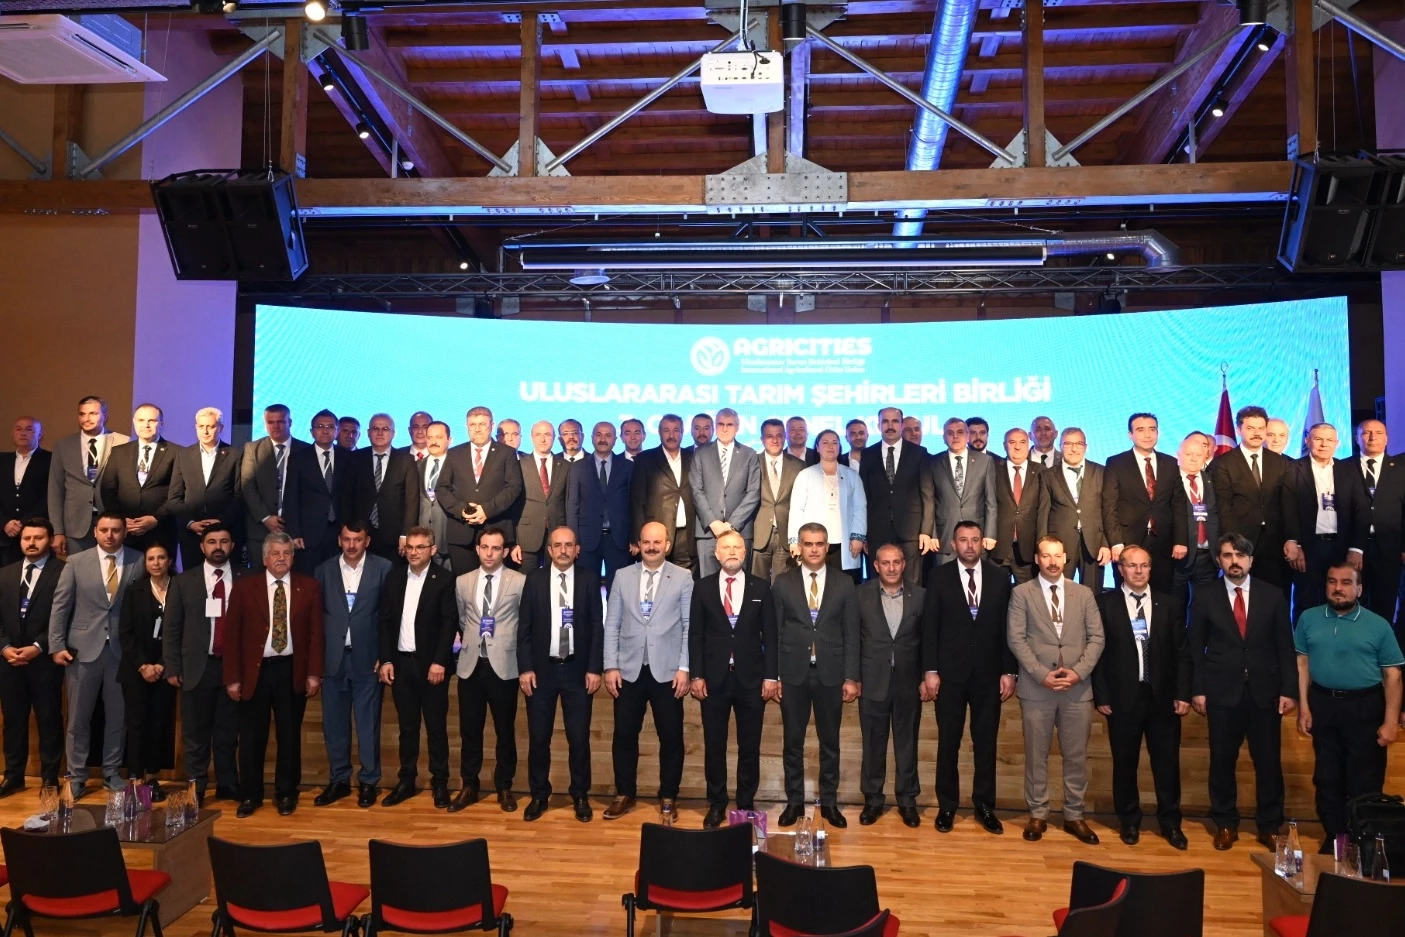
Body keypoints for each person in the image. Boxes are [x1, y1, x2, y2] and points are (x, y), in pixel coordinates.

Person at [1189, 533, 1296, 851]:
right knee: (1222, 761)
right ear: (1218, 560)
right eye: (1227, 555)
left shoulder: (1273, 595)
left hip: (1265, 692)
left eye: (1240, 555)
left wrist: (1289, 689)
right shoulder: (1205, 595)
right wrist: (1198, 689)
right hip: (1221, 692)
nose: (1234, 561)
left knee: (1269, 762)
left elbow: (1285, 646)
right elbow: (1194, 646)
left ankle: (1269, 826)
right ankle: (1225, 823)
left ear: (1251, 560)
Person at [1295, 562, 1403, 853]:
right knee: (1327, 776)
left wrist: (1390, 722)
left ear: (1359, 589)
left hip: (1365, 707)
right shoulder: (1308, 618)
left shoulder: (1378, 625)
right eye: (1332, 581)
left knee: (1365, 777)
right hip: (1323, 704)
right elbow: (1302, 663)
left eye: (1345, 582)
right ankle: (1335, 837)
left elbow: (1393, 675)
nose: (1338, 588)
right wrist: (1304, 707)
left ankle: (1363, 839)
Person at [1007, 536, 1105, 845]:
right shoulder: (1021, 593)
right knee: (1036, 755)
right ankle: (1038, 813)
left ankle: (1074, 814)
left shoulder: (1084, 594)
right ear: (1037, 559)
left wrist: (1077, 673)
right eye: (1046, 556)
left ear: (1065, 558)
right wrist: (1041, 675)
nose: (1052, 561)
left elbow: (1097, 638)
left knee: (1075, 756)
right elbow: (1016, 639)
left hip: (1077, 689)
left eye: (1057, 556)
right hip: (1038, 688)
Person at [1093, 546, 1192, 849]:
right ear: (1120, 569)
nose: (1138, 571)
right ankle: (1129, 821)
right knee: (1125, 763)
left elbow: (1182, 653)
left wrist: (1183, 693)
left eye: (1144, 565)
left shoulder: (1170, 604)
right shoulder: (1104, 604)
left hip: (1163, 698)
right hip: (1123, 697)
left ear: (1151, 569)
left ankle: (1171, 823)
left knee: (1167, 764)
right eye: (1132, 565)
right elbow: (1098, 654)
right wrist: (1102, 695)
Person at [922, 521, 1013, 834]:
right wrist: (930, 670)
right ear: (953, 544)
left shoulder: (1000, 577)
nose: (970, 545)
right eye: (963, 540)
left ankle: (984, 806)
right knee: (948, 742)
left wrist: (1008, 670)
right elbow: (930, 627)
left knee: (985, 743)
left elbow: (1007, 628)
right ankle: (947, 806)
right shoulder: (938, 577)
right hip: (950, 675)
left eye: (975, 539)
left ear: (982, 543)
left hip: (989, 674)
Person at [224, 532, 324, 818]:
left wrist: (314, 674)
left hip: (291, 669)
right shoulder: (245, 588)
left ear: (293, 557)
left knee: (289, 735)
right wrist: (233, 677)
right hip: (254, 672)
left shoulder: (309, 586)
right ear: (265, 558)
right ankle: (250, 795)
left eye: (287, 553)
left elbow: (316, 635)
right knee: (251, 736)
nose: (282, 558)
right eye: (276, 554)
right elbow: (232, 636)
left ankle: (287, 793)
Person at [602, 521, 692, 821]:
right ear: (638, 544)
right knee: (624, 735)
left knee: (671, 738)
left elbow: (689, 626)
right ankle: (624, 793)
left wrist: (684, 667)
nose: (651, 547)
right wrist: (610, 665)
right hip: (628, 670)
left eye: (657, 542)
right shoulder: (622, 576)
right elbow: (612, 623)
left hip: (668, 671)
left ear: (667, 545)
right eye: (646, 542)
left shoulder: (683, 577)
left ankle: (668, 797)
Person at [772, 521, 860, 827]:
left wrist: (851, 677)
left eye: (819, 544)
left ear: (827, 547)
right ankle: (795, 802)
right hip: (792, 674)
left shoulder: (844, 583)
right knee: (792, 742)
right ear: (799, 547)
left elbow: (852, 633)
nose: (813, 549)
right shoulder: (782, 582)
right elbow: (775, 632)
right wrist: (775, 676)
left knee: (830, 743)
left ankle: (830, 804)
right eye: (808, 544)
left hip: (831, 674)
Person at [49, 511, 140, 798]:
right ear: (95, 532)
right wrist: (56, 645)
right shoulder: (76, 562)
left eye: (116, 530)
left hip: (121, 652)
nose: (110, 535)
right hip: (82, 650)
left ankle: (111, 772)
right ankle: (76, 775)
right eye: (104, 530)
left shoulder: (138, 560)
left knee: (117, 717)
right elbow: (60, 605)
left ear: (125, 532)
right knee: (78, 718)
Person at [689, 529, 777, 828]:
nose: (731, 552)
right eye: (725, 547)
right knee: (714, 745)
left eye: (737, 547)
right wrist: (697, 674)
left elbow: (771, 636)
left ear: (745, 552)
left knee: (749, 747)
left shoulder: (761, 587)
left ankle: (745, 804)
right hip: (714, 680)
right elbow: (695, 635)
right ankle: (716, 804)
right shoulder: (702, 588)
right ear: (716, 554)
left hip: (751, 680)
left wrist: (771, 676)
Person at [518, 526, 603, 822]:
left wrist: (594, 668)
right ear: (549, 550)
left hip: (578, 671)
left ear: (577, 550)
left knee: (578, 738)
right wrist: (525, 668)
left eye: (569, 545)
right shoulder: (535, 580)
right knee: (539, 737)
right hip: (541, 672)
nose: (563, 550)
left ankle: (580, 794)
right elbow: (524, 628)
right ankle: (539, 795)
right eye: (558, 545)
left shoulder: (589, 579)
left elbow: (597, 628)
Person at [161, 523, 241, 804]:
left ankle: (228, 784)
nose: (218, 547)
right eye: (212, 542)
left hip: (232, 667)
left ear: (232, 546)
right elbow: (171, 628)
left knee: (228, 731)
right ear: (202, 547)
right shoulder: (184, 581)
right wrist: (172, 667)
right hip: (196, 667)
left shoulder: (245, 579)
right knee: (195, 733)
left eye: (224, 541)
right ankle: (196, 786)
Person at [313, 522, 391, 808]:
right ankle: (339, 780)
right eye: (347, 539)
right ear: (339, 540)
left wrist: (385, 655)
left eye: (357, 540)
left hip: (368, 660)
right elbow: (316, 619)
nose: (352, 545)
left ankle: (369, 781)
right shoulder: (323, 570)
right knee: (334, 725)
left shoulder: (384, 568)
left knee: (368, 724)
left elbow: (388, 617)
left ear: (367, 541)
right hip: (333, 660)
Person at [378, 527, 456, 808]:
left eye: (420, 547)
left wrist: (440, 661)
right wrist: (386, 659)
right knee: (407, 728)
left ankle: (440, 783)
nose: (413, 552)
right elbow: (385, 623)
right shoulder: (394, 578)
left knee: (436, 728)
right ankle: (406, 781)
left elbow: (449, 624)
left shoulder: (444, 579)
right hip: (401, 665)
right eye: (410, 547)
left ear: (432, 550)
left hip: (432, 667)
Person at [451, 527, 525, 813]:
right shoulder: (463, 582)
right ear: (477, 549)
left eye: (496, 548)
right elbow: (462, 619)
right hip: (471, 665)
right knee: (470, 731)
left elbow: (523, 622)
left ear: (505, 551)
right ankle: (469, 785)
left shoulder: (519, 581)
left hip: (504, 666)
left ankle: (504, 787)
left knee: (505, 731)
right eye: (485, 547)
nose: (489, 553)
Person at [856, 544, 924, 828]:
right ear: (876, 566)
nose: (892, 568)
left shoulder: (920, 596)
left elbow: (926, 640)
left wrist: (927, 676)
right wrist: (853, 677)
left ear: (904, 564)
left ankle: (907, 800)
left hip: (908, 681)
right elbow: (853, 639)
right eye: (886, 563)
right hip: (872, 681)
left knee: (907, 744)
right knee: (873, 744)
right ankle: (873, 800)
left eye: (896, 562)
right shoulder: (860, 595)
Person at [0, 518, 64, 794]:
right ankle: (14, 776)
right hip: (9, 660)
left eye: (38, 538)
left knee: (49, 719)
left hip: (45, 659)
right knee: (13, 721)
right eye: (27, 538)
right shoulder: (5, 573)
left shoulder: (63, 572)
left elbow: (66, 617)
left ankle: (50, 777)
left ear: (50, 540)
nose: (32, 543)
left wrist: (38, 646)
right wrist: (4, 647)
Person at [1285, 423, 1368, 616]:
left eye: (1329, 440)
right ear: (1307, 441)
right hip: (1307, 548)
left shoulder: (1349, 469)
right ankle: (1303, 637)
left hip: (1341, 546)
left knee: (1339, 600)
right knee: (1305, 602)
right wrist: (1295, 543)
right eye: (1318, 439)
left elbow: (1361, 510)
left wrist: (1356, 549)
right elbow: (1288, 509)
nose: (1324, 444)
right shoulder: (1292, 469)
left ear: (1337, 443)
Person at [1210, 406, 1293, 597]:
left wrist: (1292, 539)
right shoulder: (1223, 464)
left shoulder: (1281, 463)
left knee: (1277, 598)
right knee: (1243, 598)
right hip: (1241, 543)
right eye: (1250, 428)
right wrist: (1233, 543)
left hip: (1276, 544)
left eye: (1261, 428)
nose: (1257, 433)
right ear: (1238, 430)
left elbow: (1288, 504)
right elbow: (1224, 507)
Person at [1103, 413, 1189, 594]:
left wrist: (1180, 540)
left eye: (1152, 429)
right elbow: (1109, 505)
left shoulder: (1170, 463)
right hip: (1128, 541)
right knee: (1126, 595)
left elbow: (1179, 504)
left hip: (1164, 542)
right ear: (1130, 435)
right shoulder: (1116, 463)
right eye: (1140, 430)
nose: (1147, 435)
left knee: (1163, 595)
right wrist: (1116, 542)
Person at [117, 542, 177, 797]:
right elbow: (125, 633)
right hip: (136, 669)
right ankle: (135, 779)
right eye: (151, 558)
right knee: (136, 724)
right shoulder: (134, 591)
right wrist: (143, 665)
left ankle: (152, 778)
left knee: (158, 723)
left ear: (170, 561)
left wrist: (163, 664)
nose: (156, 563)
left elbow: (182, 631)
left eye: (161, 558)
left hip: (166, 668)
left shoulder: (180, 588)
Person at [435, 407, 524, 574]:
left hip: (495, 531)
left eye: (482, 424)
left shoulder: (507, 453)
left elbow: (513, 488)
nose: (477, 429)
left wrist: (486, 510)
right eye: (472, 425)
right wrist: (462, 510)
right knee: (464, 585)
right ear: (466, 426)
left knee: (494, 584)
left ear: (492, 425)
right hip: (461, 533)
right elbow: (442, 488)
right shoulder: (454, 453)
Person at [858, 408, 933, 589]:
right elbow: (863, 497)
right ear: (878, 426)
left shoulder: (919, 453)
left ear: (901, 425)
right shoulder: (868, 455)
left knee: (912, 585)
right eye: (885, 421)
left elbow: (927, 495)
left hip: (911, 532)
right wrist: (863, 533)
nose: (890, 426)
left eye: (894, 421)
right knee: (877, 585)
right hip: (877, 532)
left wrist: (926, 531)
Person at [48, 396, 129, 558]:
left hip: (112, 521)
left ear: (105, 415)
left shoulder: (123, 442)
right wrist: (57, 531)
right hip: (75, 525)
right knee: (79, 570)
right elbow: (55, 491)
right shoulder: (64, 445)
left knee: (112, 568)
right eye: (82, 414)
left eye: (93, 413)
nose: (87, 418)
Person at [166, 407, 242, 571]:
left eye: (211, 426)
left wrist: (222, 521)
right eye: (201, 426)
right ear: (196, 427)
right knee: (193, 580)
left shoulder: (235, 454)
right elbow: (174, 497)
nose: (205, 431)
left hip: (225, 532)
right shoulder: (183, 455)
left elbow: (240, 495)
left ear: (221, 428)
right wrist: (190, 523)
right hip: (192, 535)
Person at [690, 408, 761, 578]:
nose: (725, 428)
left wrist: (731, 525)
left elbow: (754, 492)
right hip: (708, 532)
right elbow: (696, 490)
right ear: (715, 426)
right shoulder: (701, 453)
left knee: (739, 583)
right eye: (721, 424)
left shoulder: (749, 454)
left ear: (737, 427)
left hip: (739, 531)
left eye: (729, 424)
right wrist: (713, 523)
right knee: (708, 584)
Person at [100, 403, 177, 558]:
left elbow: (178, 492)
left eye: (152, 420)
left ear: (161, 424)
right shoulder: (119, 452)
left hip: (161, 530)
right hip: (125, 531)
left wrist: (156, 519)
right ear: (134, 422)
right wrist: (122, 519)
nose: (146, 425)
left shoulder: (177, 452)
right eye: (141, 420)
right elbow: (108, 489)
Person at [1037, 427, 1109, 587]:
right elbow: (1043, 512)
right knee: (1057, 591)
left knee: (1092, 594)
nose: (1074, 449)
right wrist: (1043, 546)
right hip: (1059, 546)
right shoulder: (1048, 475)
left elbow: (1108, 510)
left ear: (1086, 447)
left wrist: (1106, 543)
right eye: (1068, 444)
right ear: (1060, 446)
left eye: (1079, 444)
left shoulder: (1101, 472)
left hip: (1094, 544)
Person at [789, 430, 867, 577]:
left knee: (845, 582)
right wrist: (794, 540)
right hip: (815, 542)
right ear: (817, 447)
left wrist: (858, 537)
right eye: (825, 443)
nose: (830, 446)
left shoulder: (852, 475)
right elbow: (796, 510)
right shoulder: (805, 475)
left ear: (840, 447)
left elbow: (860, 508)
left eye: (834, 443)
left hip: (845, 542)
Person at [240, 404, 308, 572]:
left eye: (281, 421)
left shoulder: (306, 449)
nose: (276, 426)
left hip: (296, 530)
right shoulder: (252, 448)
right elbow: (247, 486)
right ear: (265, 424)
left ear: (290, 422)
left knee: (296, 580)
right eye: (270, 422)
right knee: (259, 581)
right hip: (260, 530)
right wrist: (265, 517)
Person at [567, 421, 632, 591]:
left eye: (608, 435)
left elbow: (633, 505)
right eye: (599, 435)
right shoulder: (578, 467)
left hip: (618, 539)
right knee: (587, 590)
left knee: (618, 591)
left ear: (615, 439)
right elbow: (572, 506)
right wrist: (574, 541)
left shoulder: (627, 466)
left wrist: (633, 538)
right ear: (591, 438)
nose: (603, 439)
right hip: (586, 540)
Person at [284, 409, 350, 575]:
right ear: (311, 431)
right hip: (309, 533)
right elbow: (291, 498)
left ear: (337, 431)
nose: (325, 430)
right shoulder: (298, 458)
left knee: (338, 578)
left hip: (340, 531)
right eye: (320, 426)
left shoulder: (348, 457)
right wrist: (294, 533)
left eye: (330, 426)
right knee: (309, 578)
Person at [345, 414, 417, 563]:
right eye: (375, 428)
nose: (380, 433)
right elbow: (346, 495)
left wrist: (405, 534)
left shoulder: (406, 460)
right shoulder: (355, 458)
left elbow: (412, 500)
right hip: (359, 533)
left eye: (385, 429)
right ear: (368, 432)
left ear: (393, 433)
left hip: (394, 535)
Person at [1353, 419, 1405, 627]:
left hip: (1390, 549)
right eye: (1366, 433)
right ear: (1357, 438)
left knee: (1385, 605)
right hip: (1353, 548)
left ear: (1387, 439)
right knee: (1352, 604)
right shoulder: (1343, 467)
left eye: (1378, 433)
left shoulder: (1401, 468)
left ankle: (1382, 645)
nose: (1372, 437)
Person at [928, 416, 997, 570]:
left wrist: (990, 534)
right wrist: (932, 534)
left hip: (977, 536)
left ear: (967, 436)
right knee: (946, 581)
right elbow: (929, 501)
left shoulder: (985, 461)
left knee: (977, 582)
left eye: (960, 432)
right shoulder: (933, 463)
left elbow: (991, 501)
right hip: (944, 537)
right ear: (944, 437)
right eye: (950, 433)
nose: (955, 436)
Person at [629, 414, 696, 570]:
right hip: (656, 536)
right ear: (659, 432)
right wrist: (638, 537)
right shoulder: (645, 459)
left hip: (687, 535)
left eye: (676, 430)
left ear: (682, 432)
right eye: (666, 430)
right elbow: (637, 501)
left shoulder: (693, 457)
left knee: (685, 580)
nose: (671, 435)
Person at [1174, 432, 1220, 621]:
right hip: (1178, 556)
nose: (1194, 459)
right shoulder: (1169, 480)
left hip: (1207, 556)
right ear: (1178, 455)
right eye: (1188, 454)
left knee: (1204, 610)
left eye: (1199, 455)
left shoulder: (1212, 480)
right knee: (1175, 607)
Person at [752, 419, 805, 582]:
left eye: (779, 436)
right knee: (756, 584)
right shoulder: (752, 462)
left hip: (787, 535)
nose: (775, 440)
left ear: (785, 437)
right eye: (769, 436)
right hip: (758, 534)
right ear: (762, 439)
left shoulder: (799, 465)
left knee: (783, 585)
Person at [991, 428, 1044, 584]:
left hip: (1028, 548)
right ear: (1004, 445)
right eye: (1012, 442)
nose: (1017, 447)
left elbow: (1044, 509)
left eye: (1022, 442)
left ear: (1029, 444)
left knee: (1029, 595)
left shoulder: (1041, 471)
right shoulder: (992, 468)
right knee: (995, 594)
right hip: (997, 547)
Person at [513, 421, 568, 572]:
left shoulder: (565, 466)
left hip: (557, 535)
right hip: (526, 536)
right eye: (538, 435)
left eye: (547, 434)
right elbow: (513, 505)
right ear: (531, 437)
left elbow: (568, 502)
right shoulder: (519, 465)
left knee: (554, 580)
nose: (543, 439)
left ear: (554, 437)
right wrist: (513, 542)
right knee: (527, 582)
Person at [1, 417, 49, 568]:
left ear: (40, 434)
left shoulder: (51, 460)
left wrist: (24, 522)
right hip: (4, 535)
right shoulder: (2, 460)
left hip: (36, 531)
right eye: (18, 429)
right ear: (12, 433)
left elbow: (51, 496)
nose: (23, 433)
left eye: (29, 429)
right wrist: (4, 522)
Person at [416, 421, 453, 569]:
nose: (433, 442)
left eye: (439, 437)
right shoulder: (416, 466)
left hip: (448, 540)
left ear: (449, 440)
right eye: (430, 437)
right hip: (421, 541)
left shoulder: (458, 466)